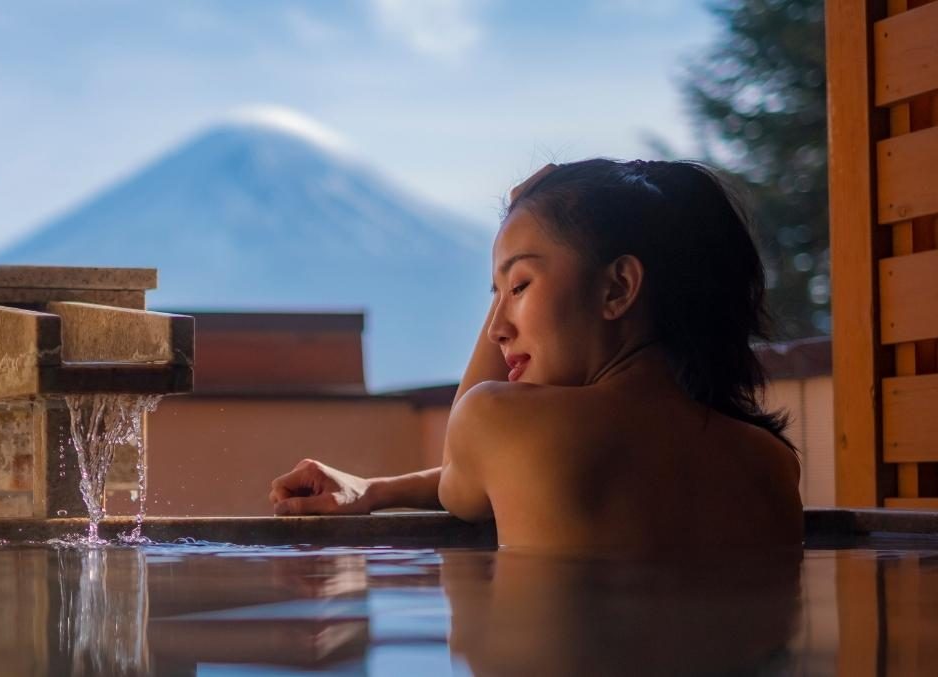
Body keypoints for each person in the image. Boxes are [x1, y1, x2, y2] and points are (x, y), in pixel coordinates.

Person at [268, 159, 804, 550]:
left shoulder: (501, 423)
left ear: (618, 288)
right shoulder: (768, 461)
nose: (499, 329)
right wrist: (374, 489)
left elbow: (470, 460)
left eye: (519, 285)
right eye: (494, 295)